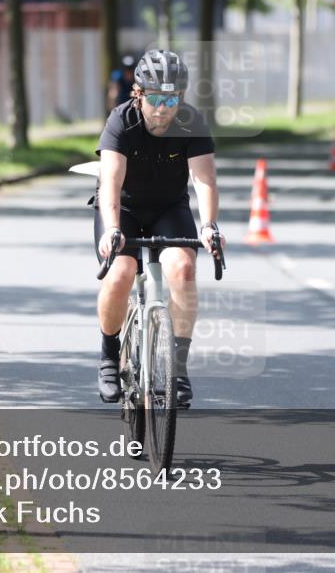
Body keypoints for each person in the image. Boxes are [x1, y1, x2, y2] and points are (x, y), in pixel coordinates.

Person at [93, 49, 224, 406]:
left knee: (182, 269)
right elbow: (111, 184)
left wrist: (210, 225)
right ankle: (108, 355)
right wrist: (112, 229)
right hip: (125, 208)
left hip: (169, 207)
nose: (163, 107)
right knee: (120, 273)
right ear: (139, 93)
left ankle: (178, 369)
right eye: (155, 98)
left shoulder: (191, 122)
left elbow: (204, 180)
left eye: (171, 99)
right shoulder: (121, 121)